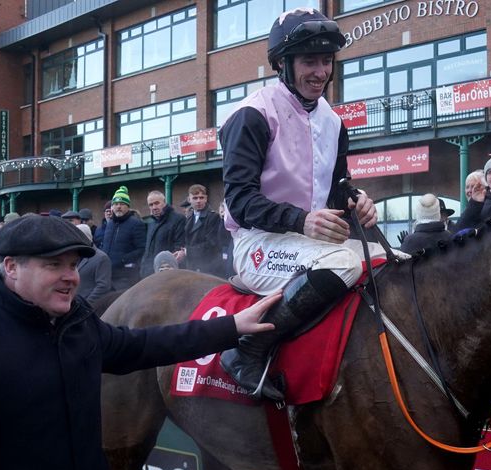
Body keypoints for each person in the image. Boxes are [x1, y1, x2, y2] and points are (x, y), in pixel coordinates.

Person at [0, 214, 280, 470]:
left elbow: (148, 345)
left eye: (74, 265)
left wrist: (231, 326)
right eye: (55, 265)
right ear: (12, 267)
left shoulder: (77, 326)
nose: (71, 278)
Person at [218, 8, 381, 401]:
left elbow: (335, 188)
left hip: (311, 243)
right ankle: (245, 350)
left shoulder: (334, 122)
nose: (320, 71)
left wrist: (357, 200)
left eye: (326, 61)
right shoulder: (252, 114)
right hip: (258, 244)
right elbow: (239, 202)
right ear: (282, 64)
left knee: (387, 258)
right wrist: (302, 220)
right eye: (310, 61)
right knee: (344, 263)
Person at [99, 186, 146, 291]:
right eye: (115, 204)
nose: (118, 207)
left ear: (128, 206)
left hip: (126, 276)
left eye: (122, 204)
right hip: (108, 275)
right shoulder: (110, 224)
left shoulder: (136, 224)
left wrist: (123, 259)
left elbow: (141, 248)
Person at [176, 184, 225, 277]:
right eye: (195, 198)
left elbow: (211, 245)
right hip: (193, 266)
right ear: (189, 199)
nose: (199, 201)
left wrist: (187, 252)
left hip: (208, 268)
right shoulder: (189, 217)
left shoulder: (213, 217)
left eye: (201, 197)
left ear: (206, 199)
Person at [140, 190, 186, 278]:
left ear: (164, 202)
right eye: (151, 204)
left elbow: (178, 247)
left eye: (157, 203)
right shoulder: (151, 223)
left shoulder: (178, 219)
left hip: (168, 275)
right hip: (150, 275)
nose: (154, 207)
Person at [75, 223, 112, 308]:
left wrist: (86, 303)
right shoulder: (74, 256)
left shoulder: (101, 258)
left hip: (90, 307)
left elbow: (103, 286)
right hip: (74, 305)